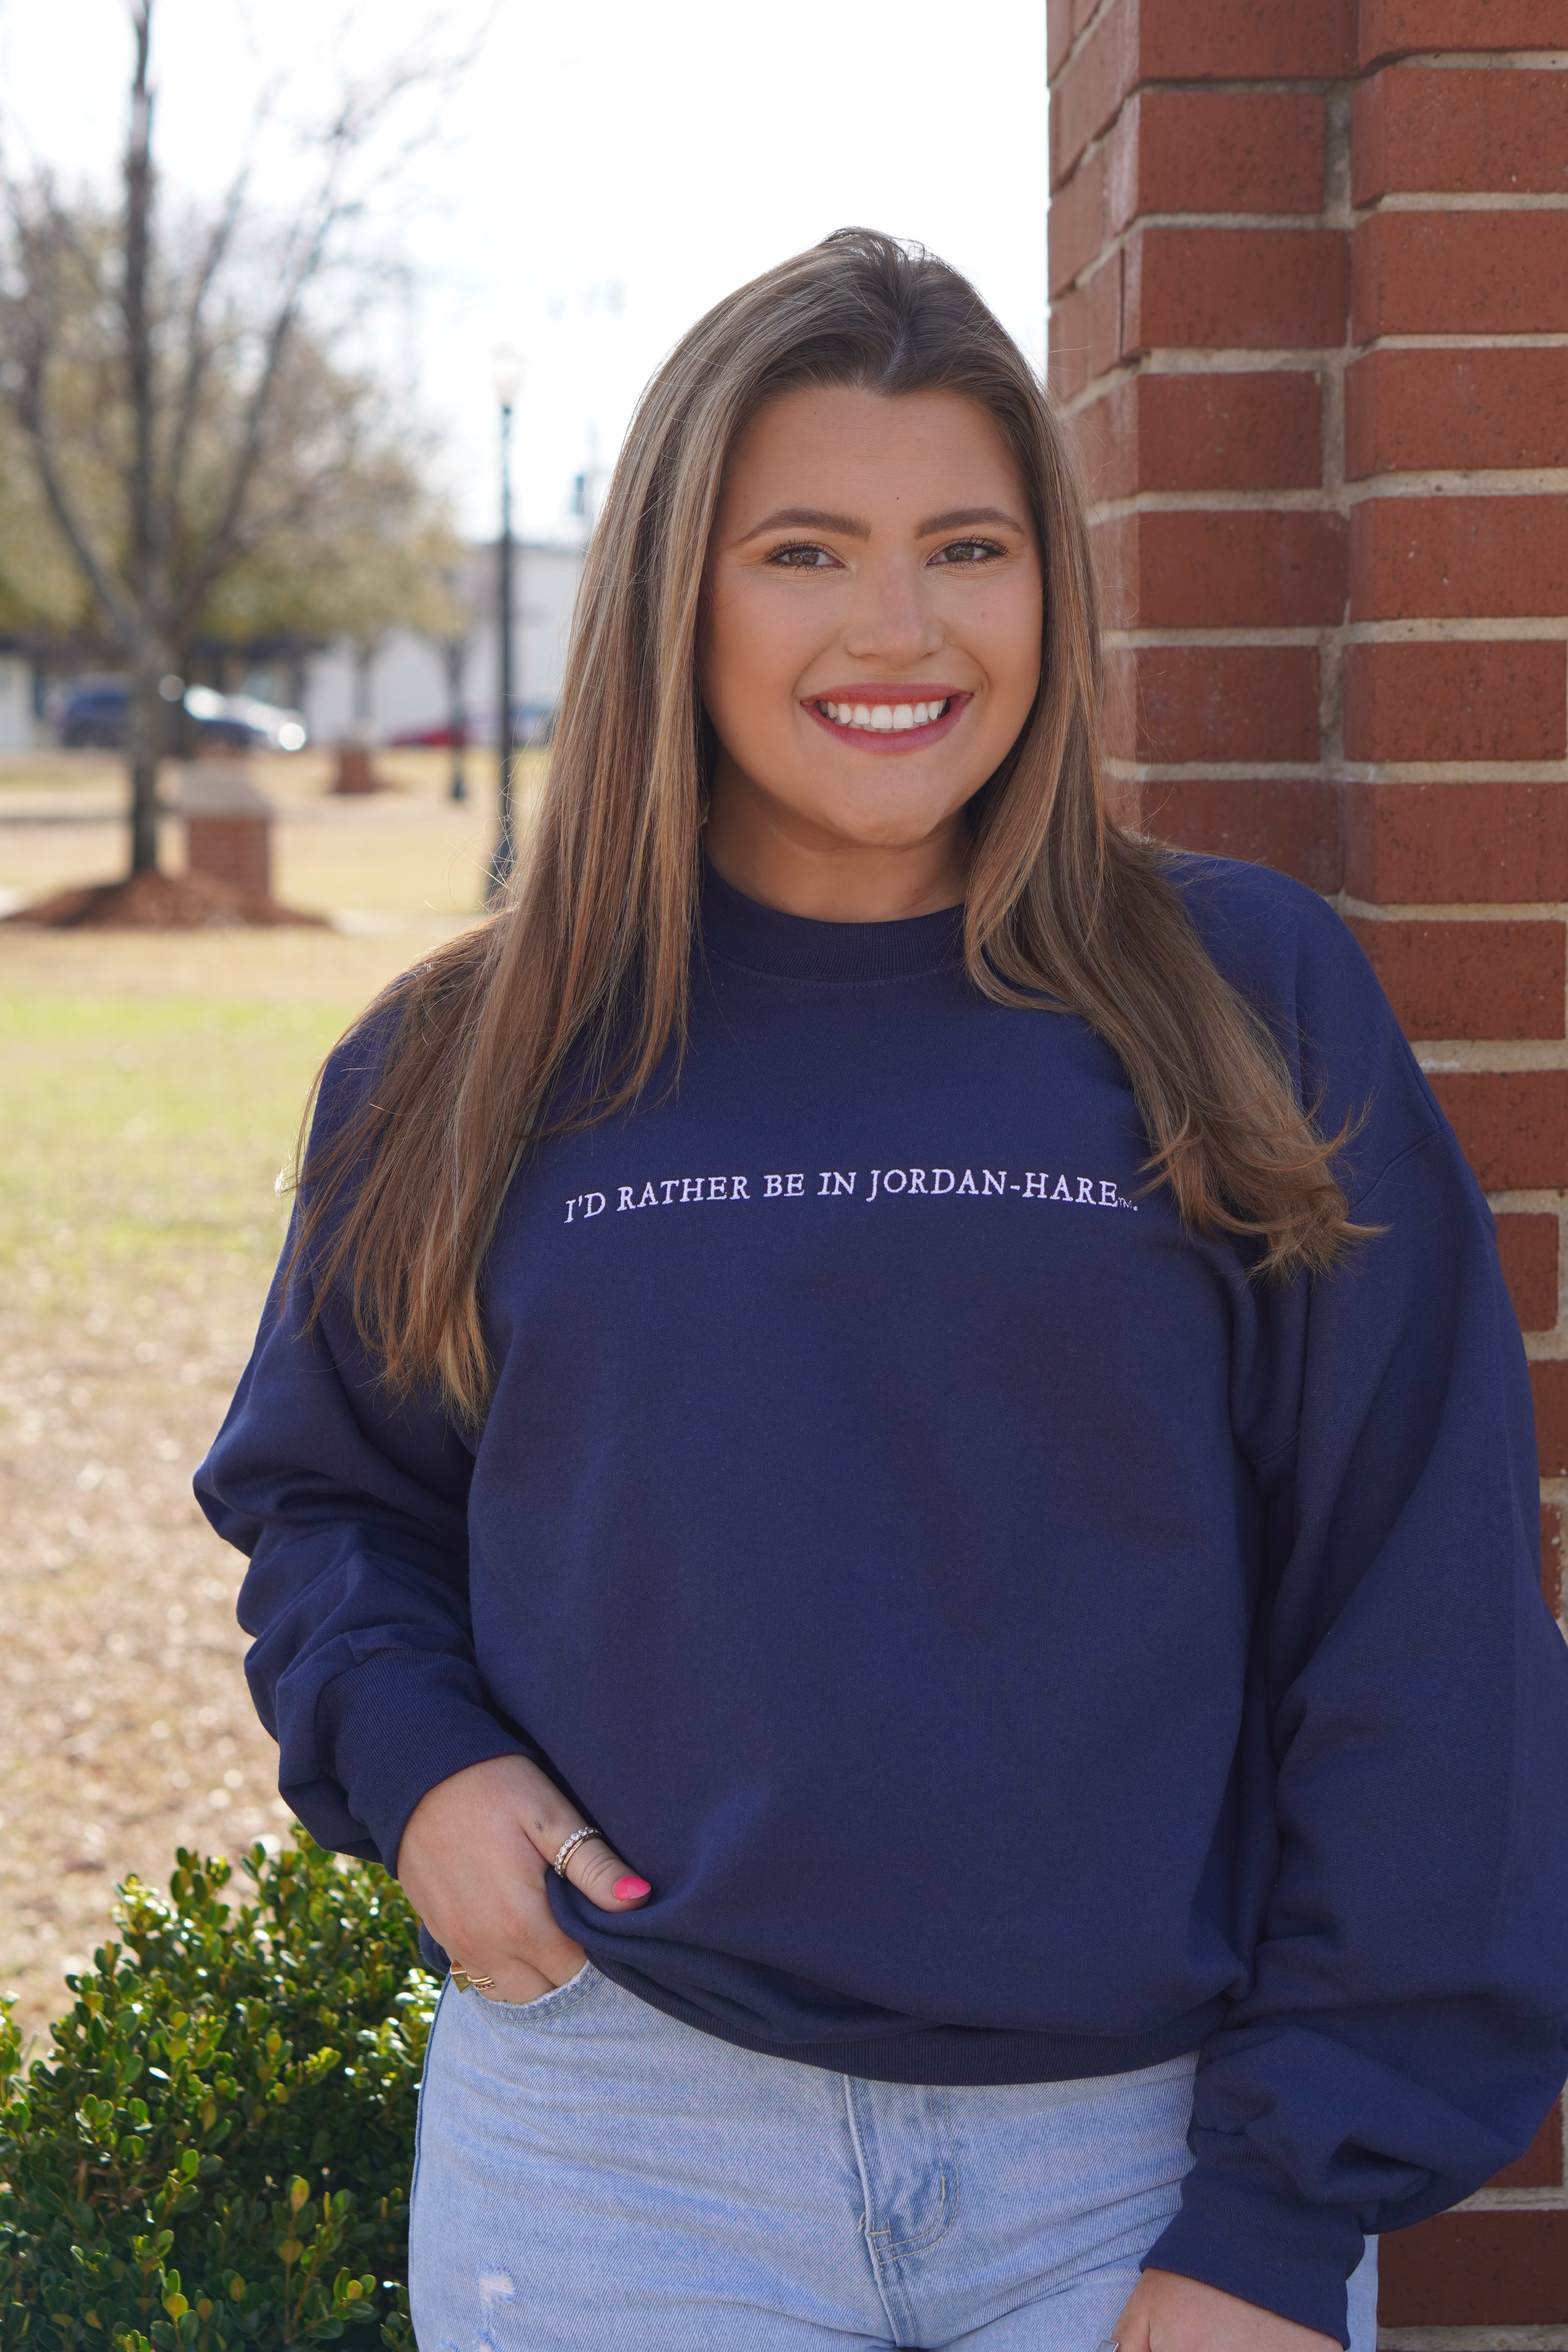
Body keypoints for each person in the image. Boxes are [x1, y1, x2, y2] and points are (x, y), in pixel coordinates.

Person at [195, 230, 1568, 2352]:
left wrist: (1285, 2212)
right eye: (806, 553)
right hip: (623, 2139)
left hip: (1136, 2163)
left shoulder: (1244, 1000)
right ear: (677, 596)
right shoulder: (467, 1060)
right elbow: (329, 1503)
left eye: (968, 550)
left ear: (1052, 589)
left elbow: (1421, 1613)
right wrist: (423, 1766)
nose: (900, 630)